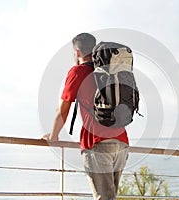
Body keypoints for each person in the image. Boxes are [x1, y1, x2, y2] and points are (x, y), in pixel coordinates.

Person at [42, 33, 129, 200]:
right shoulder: (109, 69)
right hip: (121, 142)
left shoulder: (78, 71)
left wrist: (53, 136)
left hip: (97, 142)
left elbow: (63, 109)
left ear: (77, 51)